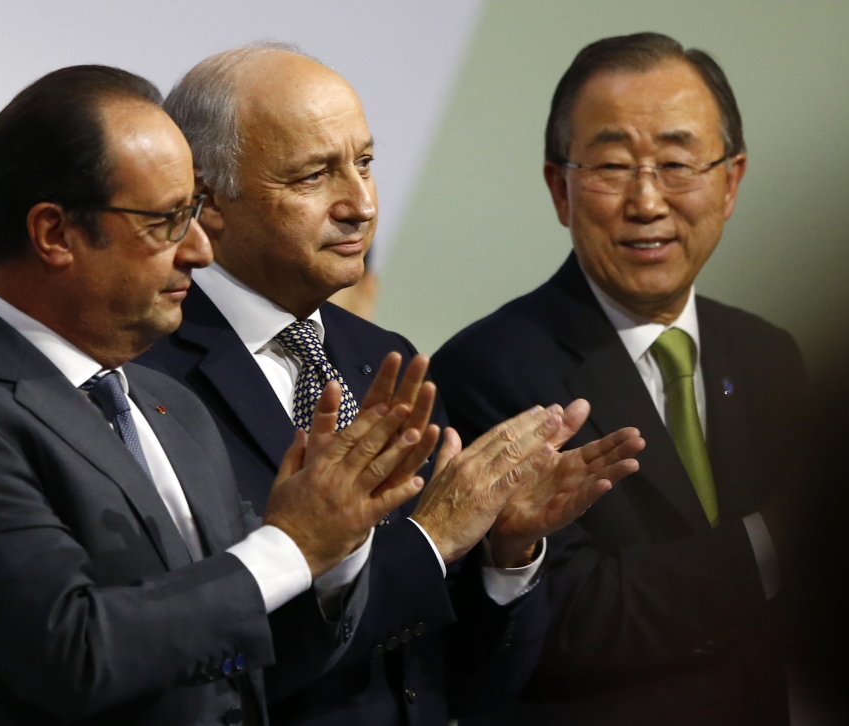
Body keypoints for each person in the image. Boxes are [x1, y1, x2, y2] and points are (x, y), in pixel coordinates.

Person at [0, 64, 450, 725]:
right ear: (54, 233)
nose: (198, 250)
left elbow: (240, 661)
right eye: (167, 220)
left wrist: (336, 551)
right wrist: (293, 544)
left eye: (194, 213)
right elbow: (78, 655)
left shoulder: (172, 410)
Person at [137, 44, 644, 725]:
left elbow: (459, 677)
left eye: (366, 163)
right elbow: (202, 662)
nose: (361, 204)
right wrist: (430, 540)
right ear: (208, 200)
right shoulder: (145, 376)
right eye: (316, 174)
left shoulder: (383, 356)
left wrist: (504, 554)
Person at [431, 32, 806, 726]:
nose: (647, 201)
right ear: (559, 188)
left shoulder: (767, 354)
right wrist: (778, 539)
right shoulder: (490, 369)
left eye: (675, 162)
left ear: (730, 181)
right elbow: (566, 613)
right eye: (611, 165)